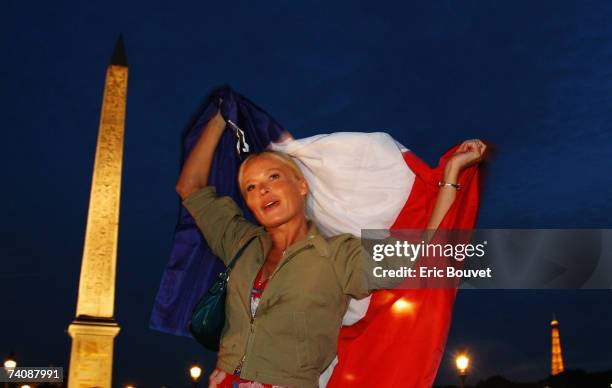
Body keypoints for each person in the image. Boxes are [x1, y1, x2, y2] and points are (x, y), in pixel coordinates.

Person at [175, 106, 486, 388]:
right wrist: (219, 118)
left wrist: (451, 175)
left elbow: (414, 253)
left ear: (301, 186)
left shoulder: (337, 255)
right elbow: (189, 188)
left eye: (273, 176)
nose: (263, 189)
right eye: (251, 187)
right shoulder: (241, 241)